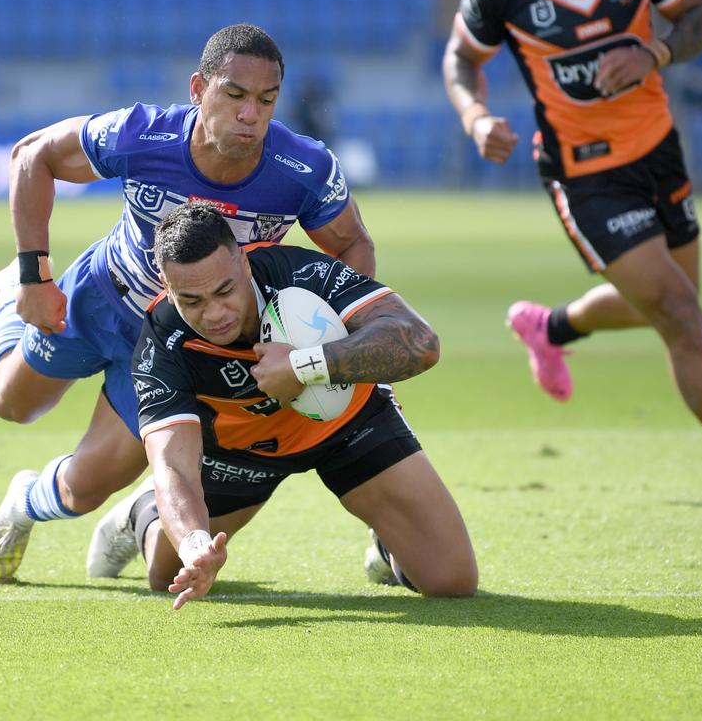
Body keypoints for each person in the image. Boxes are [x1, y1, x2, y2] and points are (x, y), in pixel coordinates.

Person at [0, 24, 376, 583]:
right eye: (234, 95)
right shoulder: (142, 135)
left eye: (266, 99)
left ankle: (21, 504)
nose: (250, 114)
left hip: (172, 348)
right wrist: (35, 275)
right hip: (100, 296)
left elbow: (352, 243)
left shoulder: (302, 169)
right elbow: (31, 156)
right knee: (13, 404)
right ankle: (13, 298)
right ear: (198, 89)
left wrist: (327, 337)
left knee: (86, 488)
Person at [442, 0, 702, 513]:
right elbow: (460, 58)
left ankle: (551, 328)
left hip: (660, 152)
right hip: (586, 175)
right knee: (680, 315)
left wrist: (654, 51)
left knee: (673, 304)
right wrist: (475, 117)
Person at [85, 202, 477, 608]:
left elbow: (420, 342)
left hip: (348, 422)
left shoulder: (300, 273)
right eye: (193, 301)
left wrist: (304, 366)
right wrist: (194, 544)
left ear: (243, 262)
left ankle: (386, 549)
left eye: (224, 291)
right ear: (166, 286)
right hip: (242, 451)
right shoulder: (161, 344)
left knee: (452, 580)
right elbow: (172, 466)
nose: (215, 313)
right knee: (169, 576)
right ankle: (141, 511)